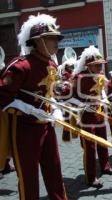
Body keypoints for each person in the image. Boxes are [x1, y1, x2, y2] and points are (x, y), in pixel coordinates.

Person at [0, 14, 67, 199]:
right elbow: (2, 98)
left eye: (57, 38)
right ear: (37, 41)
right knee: (29, 178)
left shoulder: (52, 64)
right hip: (24, 130)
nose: (56, 42)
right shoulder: (21, 67)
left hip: (47, 126)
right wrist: (28, 109)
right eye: (51, 38)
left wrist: (56, 109)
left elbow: (51, 92)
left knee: (55, 171)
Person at [71, 45, 112, 188]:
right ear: (88, 65)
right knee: (90, 148)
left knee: (103, 142)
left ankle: (105, 166)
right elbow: (69, 98)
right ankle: (91, 177)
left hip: (99, 114)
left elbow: (102, 92)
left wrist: (105, 101)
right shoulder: (78, 78)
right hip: (85, 118)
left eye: (100, 65)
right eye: (96, 65)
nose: (99, 68)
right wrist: (84, 104)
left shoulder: (100, 76)